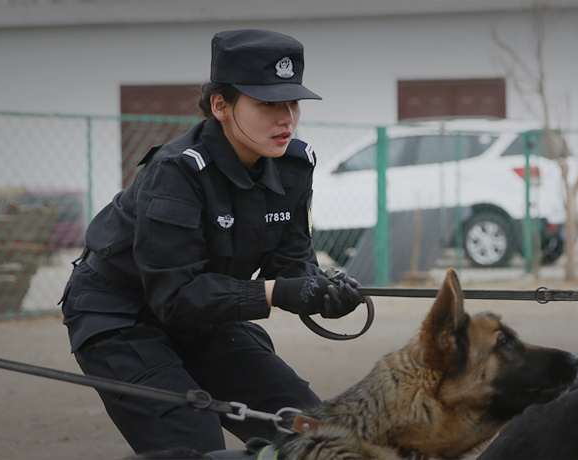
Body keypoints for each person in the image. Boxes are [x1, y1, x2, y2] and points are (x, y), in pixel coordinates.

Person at [60, 29, 366, 455]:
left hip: (207, 313)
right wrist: (281, 292)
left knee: (315, 434)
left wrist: (323, 292)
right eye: (267, 103)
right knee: (193, 438)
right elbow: (176, 295)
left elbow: (291, 263)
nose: (286, 118)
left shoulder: (294, 165)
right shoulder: (177, 173)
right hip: (122, 315)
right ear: (221, 105)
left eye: (292, 102)